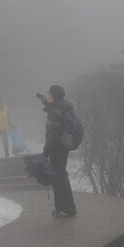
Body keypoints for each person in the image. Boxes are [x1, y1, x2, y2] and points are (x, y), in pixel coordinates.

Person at [38, 84, 77, 218]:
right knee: (61, 177)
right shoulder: (64, 106)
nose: (46, 94)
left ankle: (65, 209)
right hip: (63, 147)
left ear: (53, 96)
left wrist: (45, 152)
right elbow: (54, 107)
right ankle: (67, 208)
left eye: (48, 92)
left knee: (59, 179)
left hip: (56, 149)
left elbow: (52, 134)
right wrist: (44, 100)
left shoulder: (54, 112)